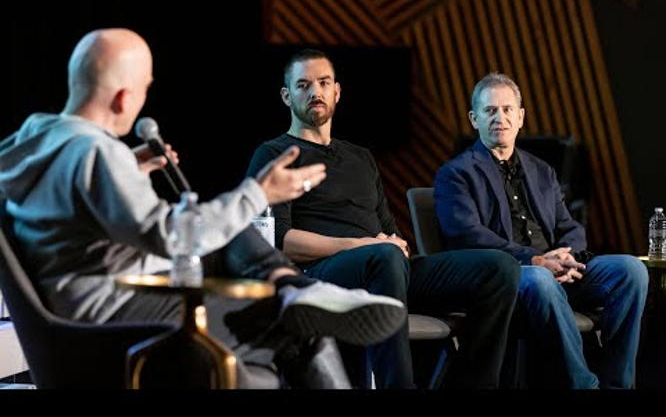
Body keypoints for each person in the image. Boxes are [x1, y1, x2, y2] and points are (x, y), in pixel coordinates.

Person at [0, 28, 408, 389]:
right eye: (144, 89)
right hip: (112, 317)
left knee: (237, 237)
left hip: (76, 310)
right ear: (123, 97)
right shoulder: (95, 153)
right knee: (296, 327)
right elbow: (174, 237)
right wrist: (257, 193)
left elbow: (70, 211)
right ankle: (295, 295)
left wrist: (128, 169)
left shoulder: (40, 135)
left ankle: (294, 290)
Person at [245, 48, 521, 389]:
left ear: (337, 92)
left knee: (499, 267)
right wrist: (362, 245)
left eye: (324, 83)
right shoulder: (274, 154)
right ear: (287, 96)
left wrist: (393, 244)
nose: (315, 92)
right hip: (320, 274)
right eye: (303, 85)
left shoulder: (361, 157)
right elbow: (278, 241)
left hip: (385, 267)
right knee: (385, 256)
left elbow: (389, 232)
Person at [434, 71, 649, 389]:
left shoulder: (542, 170)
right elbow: (468, 236)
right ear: (474, 119)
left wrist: (567, 257)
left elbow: (569, 226)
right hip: (510, 278)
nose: (500, 118)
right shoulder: (455, 174)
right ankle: (582, 385)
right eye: (490, 110)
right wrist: (536, 260)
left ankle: (617, 383)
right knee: (539, 278)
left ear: (520, 117)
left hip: (557, 270)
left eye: (507, 109)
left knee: (630, 270)